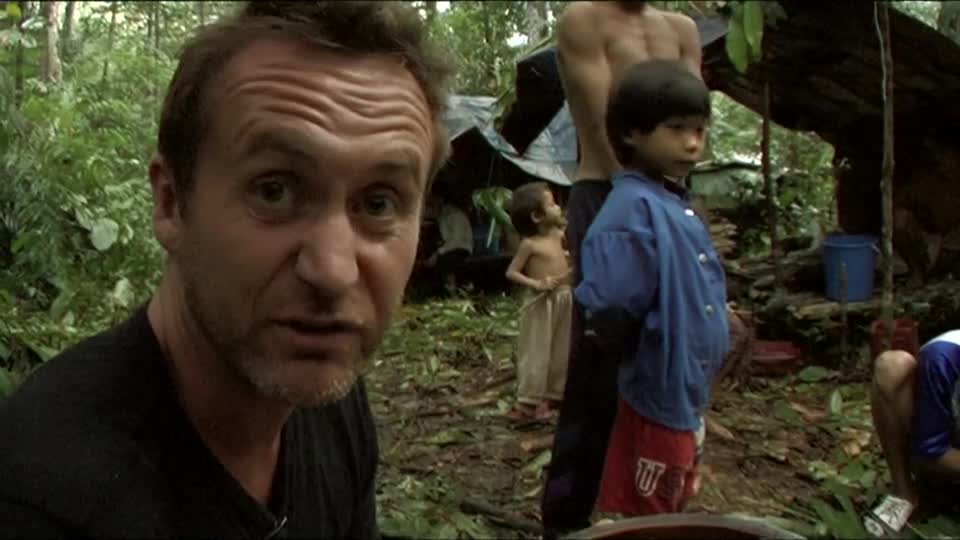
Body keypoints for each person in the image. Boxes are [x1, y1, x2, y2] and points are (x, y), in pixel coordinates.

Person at [0, 2, 451, 538]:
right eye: (274, 191)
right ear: (171, 203)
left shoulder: (327, 394)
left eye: (378, 204)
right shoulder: (44, 498)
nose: (332, 272)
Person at [542, 1, 703, 535]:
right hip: (612, 198)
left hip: (672, 200)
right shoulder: (585, 21)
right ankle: (567, 518)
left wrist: (678, 211)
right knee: (597, 365)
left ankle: (654, 507)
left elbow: (690, 116)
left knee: (669, 350)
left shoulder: (681, 30)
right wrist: (645, 205)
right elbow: (606, 128)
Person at [575, 59, 728, 517]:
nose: (692, 142)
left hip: (685, 384)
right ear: (631, 134)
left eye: (700, 130)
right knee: (654, 494)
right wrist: (645, 343)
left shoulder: (670, 200)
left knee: (677, 477)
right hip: (659, 384)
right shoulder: (631, 211)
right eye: (677, 128)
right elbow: (611, 303)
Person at [866, 330, 960, 536]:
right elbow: (930, 453)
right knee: (892, 366)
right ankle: (904, 495)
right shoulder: (943, 357)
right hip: (937, 444)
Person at [504, 182, 573, 420]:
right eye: (552, 203)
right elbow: (511, 272)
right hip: (541, 302)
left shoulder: (558, 236)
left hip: (564, 298)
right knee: (537, 349)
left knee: (561, 348)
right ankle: (528, 401)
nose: (558, 207)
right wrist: (536, 284)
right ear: (536, 216)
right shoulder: (529, 244)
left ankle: (554, 396)